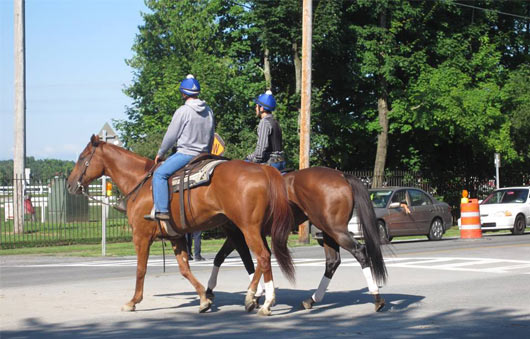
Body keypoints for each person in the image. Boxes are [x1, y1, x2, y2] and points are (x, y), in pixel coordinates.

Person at [151, 74, 215, 220]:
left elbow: (171, 136)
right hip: (204, 155)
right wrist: (208, 152)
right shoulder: (209, 111)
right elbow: (212, 135)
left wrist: (161, 153)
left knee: (159, 174)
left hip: (186, 154)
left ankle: (162, 211)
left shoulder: (183, 111)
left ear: (184, 93)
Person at [245, 90, 286, 171]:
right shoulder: (275, 122)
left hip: (271, 163)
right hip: (282, 162)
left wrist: (249, 158)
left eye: (257, 106)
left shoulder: (264, 122)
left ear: (262, 108)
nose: (255, 108)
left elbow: (260, 152)